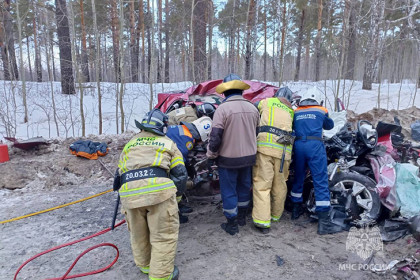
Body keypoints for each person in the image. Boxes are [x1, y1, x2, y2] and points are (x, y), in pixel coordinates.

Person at [114, 109, 187, 280]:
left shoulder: (130, 143)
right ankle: (161, 275)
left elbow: (118, 175)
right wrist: (176, 198)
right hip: (159, 194)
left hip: (130, 195)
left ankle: (146, 266)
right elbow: (180, 174)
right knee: (163, 235)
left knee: (138, 234)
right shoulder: (168, 143)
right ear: (162, 127)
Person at [206, 73, 260, 235]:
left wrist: (211, 155)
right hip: (249, 158)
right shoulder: (253, 108)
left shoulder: (222, 109)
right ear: (241, 91)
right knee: (244, 187)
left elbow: (215, 138)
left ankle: (232, 223)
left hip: (228, 160)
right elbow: (256, 132)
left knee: (229, 190)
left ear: (224, 92)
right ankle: (242, 217)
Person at [290, 87, 342, 235]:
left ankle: (295, 210)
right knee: (320, 180)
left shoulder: (296, 112)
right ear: (317, 100)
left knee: (299, 177)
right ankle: (324, 223)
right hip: (315, 146)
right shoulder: (321, 110)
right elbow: (330, 125)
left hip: (299, 146)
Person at [252, 87, 294, 234]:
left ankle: (262, 221)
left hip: (265, 150)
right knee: (280, 185)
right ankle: (276, 215)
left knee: (263, 184)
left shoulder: (267, 102)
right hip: (284, 154)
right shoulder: (291, 111)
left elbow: (252, 107)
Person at [166, 116, 213, 223]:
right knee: (177, 180)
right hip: (164, 165)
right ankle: (175, 211)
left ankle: (177, 205)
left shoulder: (180, 128)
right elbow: (178, 164)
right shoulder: (188, 139)